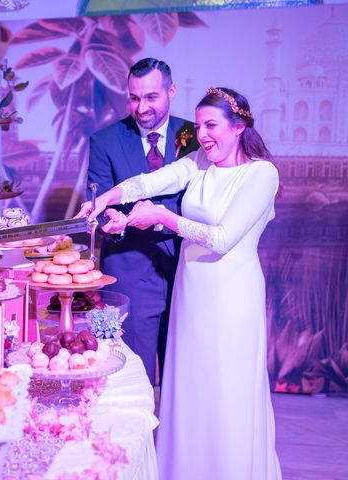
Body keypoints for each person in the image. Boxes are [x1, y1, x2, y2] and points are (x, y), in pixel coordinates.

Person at [77, 87, 281, 479]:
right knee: (189, 391)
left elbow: (222, 238)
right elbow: (149, 183)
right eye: (199, 124)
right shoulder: (200, 162)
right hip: (192, 294)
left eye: (212, 125)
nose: (202, 134)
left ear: (238, 127)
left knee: (226, 392)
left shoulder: (261, 174)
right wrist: (105, 200)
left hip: (231, 298)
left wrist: (162, 218)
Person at [86, 57, 199, 386]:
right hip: (130, 270)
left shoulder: (194, 136)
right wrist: (113, 219)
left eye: (151, 97)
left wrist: (164, 221)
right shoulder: (105, 140)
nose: (142, 107)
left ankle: (176, 440)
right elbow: (101, 196)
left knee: (186, 382)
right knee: (134, 378)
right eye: (134, 97)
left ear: (172, 91)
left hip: (188, 268)